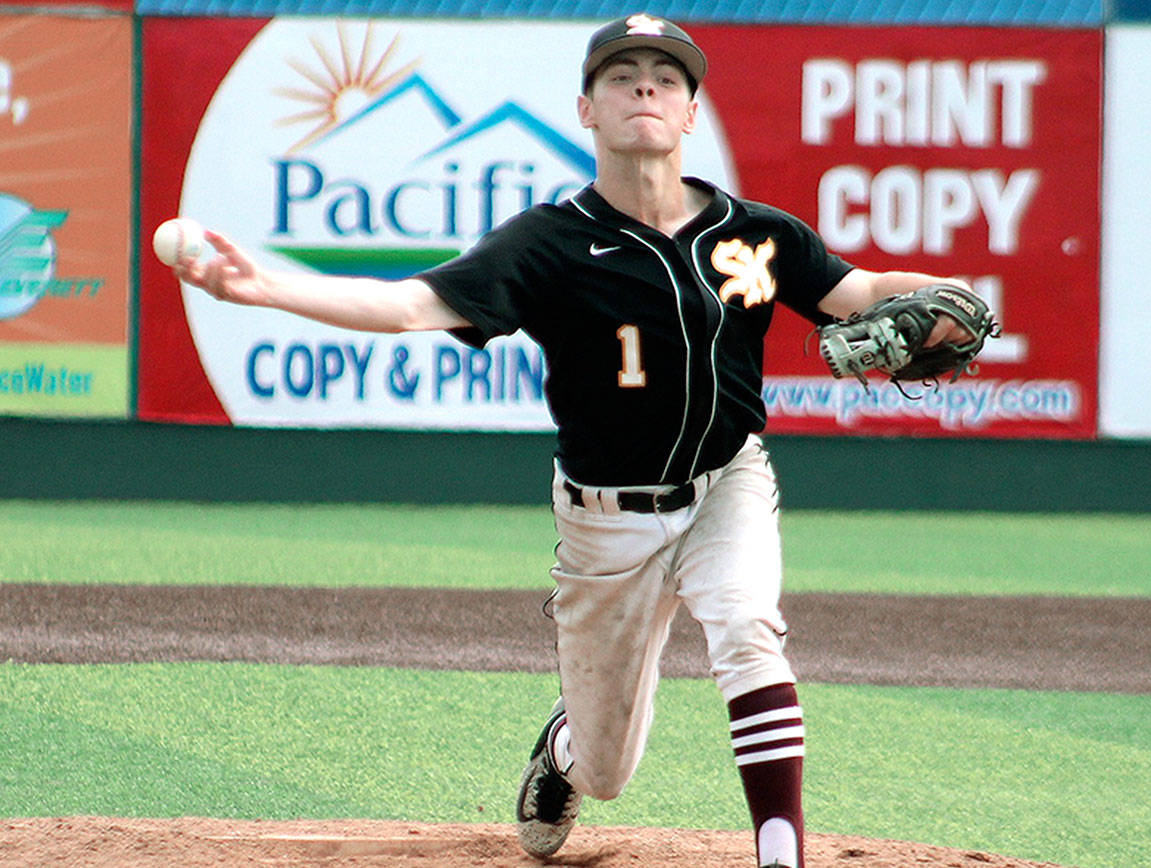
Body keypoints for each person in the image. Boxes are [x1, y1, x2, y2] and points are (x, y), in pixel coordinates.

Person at [177, 14, 974, 868]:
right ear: (586, 110)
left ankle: (781, 854)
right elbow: (410, 306)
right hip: (606, 524)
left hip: (728, 483)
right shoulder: (549, 244)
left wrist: (943, 291)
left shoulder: (758, 234)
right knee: (606, 770)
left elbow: (858, 290)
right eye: (622, 75)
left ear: (692, 112)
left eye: (666, 78)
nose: (644, 89)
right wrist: (266, 288)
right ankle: (564, 750)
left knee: (748, 630)